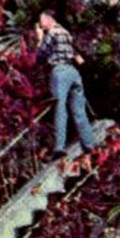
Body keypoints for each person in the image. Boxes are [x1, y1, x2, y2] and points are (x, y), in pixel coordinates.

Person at [35, 11, 97, 175]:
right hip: (73, 72)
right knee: (79, 110)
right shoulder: (66, 33)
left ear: (50, 19)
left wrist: (40, 38)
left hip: (60, 72)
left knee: (60, 108)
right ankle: (89, 144)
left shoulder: (52, 33)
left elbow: (40, 56)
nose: (40, 24)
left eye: (42, 21)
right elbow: (77, 56)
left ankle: (59, 147)